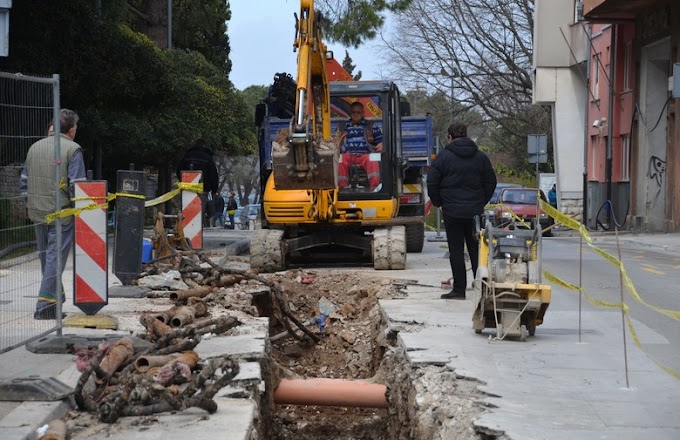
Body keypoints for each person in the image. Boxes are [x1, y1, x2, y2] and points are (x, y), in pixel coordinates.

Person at [19, 109, 87, 319]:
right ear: (72, 130)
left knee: (45, 257)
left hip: (37, 212)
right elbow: (77, 186)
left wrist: (28, 204)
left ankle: (55, 300)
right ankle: (44, 307)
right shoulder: (73, 150)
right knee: (54, 259)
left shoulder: (34, 148)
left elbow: (24, 180)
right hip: (62, 213)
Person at [427, 121, 497, 300]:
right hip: (474, 212)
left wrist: (439, 203)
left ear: (449, 137)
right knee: (476, 249)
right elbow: (491, 182)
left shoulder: (442, 157)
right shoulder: (480, 157)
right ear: (466, 135)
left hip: (452, 211)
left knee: (456, 250)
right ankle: (481, 288)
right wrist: (481, 202)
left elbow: (432, 182)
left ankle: (459, 289)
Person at [337, 102, 383, 191]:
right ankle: (342, 188)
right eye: (354, 112)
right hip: (348, 155)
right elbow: (336, 141)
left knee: (372, 159)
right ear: (350, 113)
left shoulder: (371, 125)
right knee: (340, 159)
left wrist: (382, 144)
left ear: (363, 113)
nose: (356, 114)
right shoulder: (342, 126)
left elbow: (381, 140)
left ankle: (375, 188)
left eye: (358, 112)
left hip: (365, 155)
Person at [176, 139, 219, 226]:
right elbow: (213, 175)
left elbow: (178, 170)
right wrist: (214, 190)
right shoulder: (208, 158)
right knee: (199, 210)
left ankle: (186, 227)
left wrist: (183, 181)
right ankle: (196, 227)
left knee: (187, 210)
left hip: (187, 188)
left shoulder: (187, 156)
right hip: (202, 189)